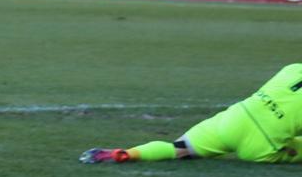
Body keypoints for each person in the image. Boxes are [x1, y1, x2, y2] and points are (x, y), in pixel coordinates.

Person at [82, 64, 302, 165]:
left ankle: (127, 153)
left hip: (233, 120)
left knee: (179, 149)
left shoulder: (291, 69)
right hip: (260, 147)